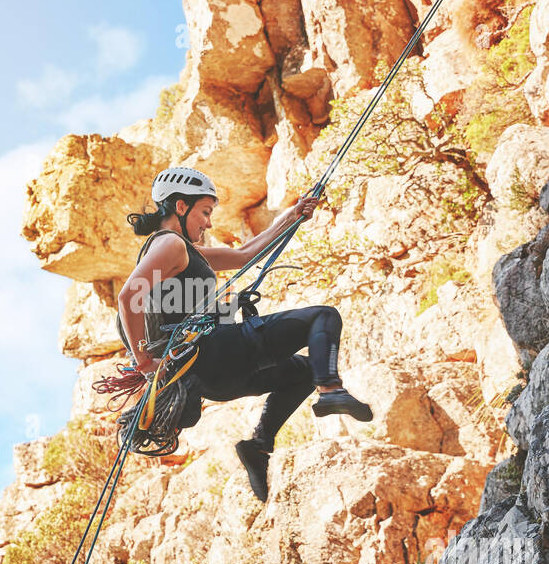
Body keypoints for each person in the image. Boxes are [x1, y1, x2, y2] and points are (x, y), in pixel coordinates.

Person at [116, 165, 372, 502]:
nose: (208, 222)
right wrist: (144, 362)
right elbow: (127, 296)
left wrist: (292, 216)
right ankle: (331, 392)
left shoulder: (182, 251)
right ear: (181, 206)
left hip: (214, 380)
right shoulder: (169, 244)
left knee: (303, 371)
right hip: (216, 353)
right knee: (322, 318)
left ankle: (258, 446)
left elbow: (244, 255)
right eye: (205, 212)